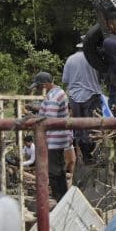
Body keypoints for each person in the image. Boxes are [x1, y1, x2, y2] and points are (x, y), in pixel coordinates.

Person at [31, 71, 72, 201]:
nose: (37, 89)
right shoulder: (55, 94)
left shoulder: (54, 96)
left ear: (45, 85)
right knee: (58, 171)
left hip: (54, 140)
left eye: (38, 86)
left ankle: (60, 199)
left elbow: (49, 119)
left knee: (53, 171)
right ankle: (62, 198)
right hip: (58, 139)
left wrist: (33, 118)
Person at [63, 39, 104, 163]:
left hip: (75, 97)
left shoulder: (70, 59)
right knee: (93, 126)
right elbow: (102, 77)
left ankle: (86, 156)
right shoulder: (95, 59)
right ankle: (93, 155)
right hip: (92, 95)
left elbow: (65, 80)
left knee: (79, 127)